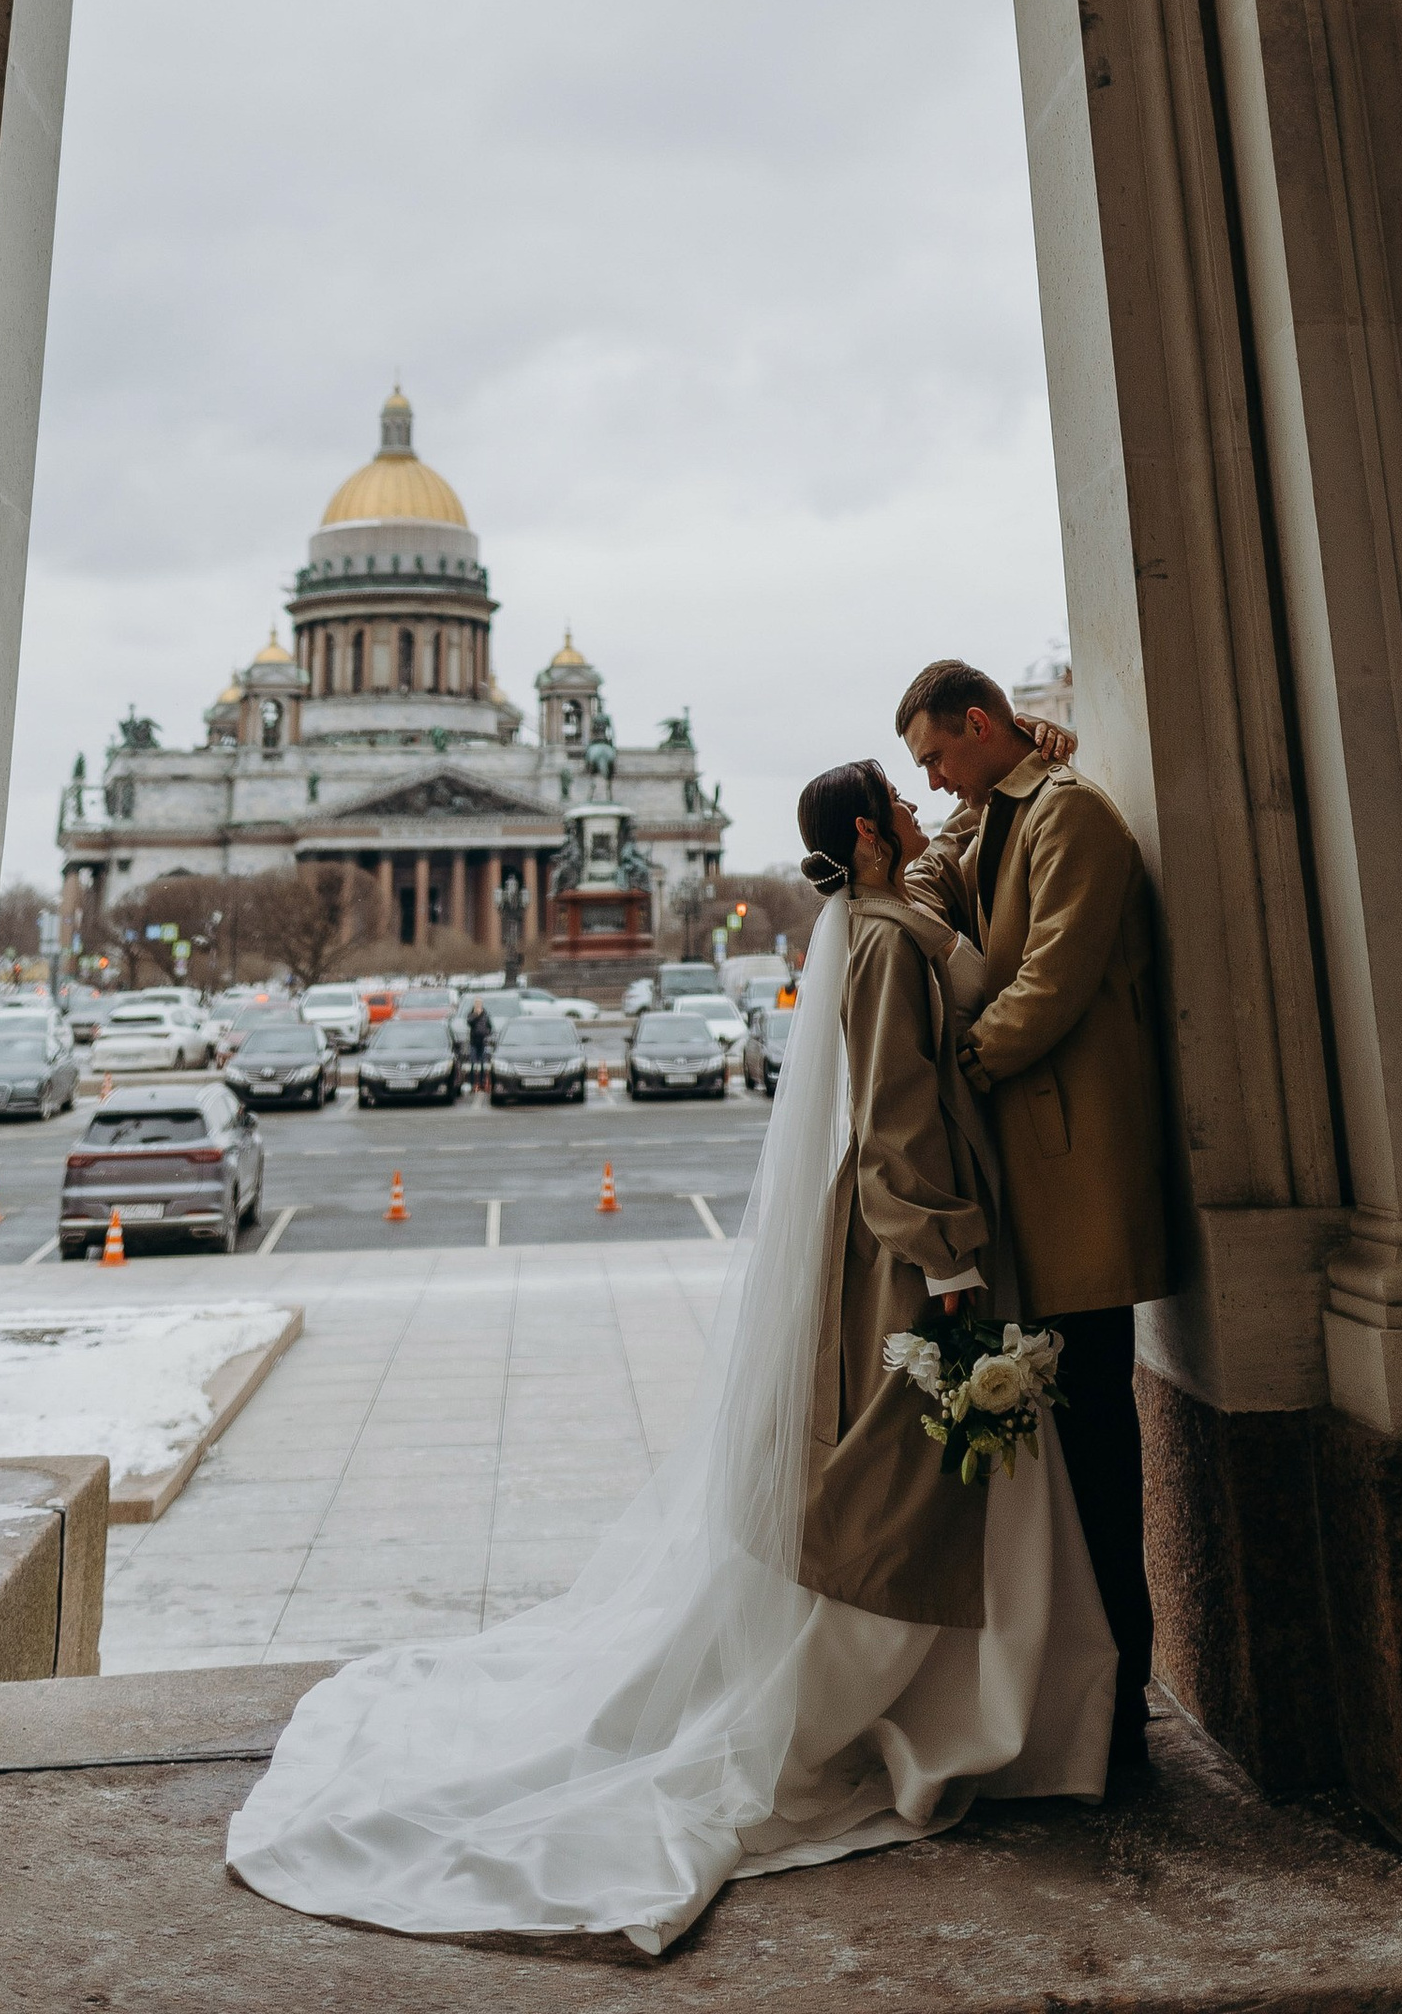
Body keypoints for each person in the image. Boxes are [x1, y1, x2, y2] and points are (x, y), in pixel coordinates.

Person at [224, 754, 1111, 1950]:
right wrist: (948, 1260)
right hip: (920, 1252)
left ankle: (999, 1709)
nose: (917, 806)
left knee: (944, 1482)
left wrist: (1006, 779)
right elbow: (896, 1112)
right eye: (897, 802)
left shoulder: (883, 913)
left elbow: (939, 881)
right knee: (914, 1484)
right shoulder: (883, 940)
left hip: (926, 1233)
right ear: (862, 834)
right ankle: (967, 1716)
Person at [896, 658, 1167, 1795]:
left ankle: (1123, 1717)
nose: (936, 779)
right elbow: (925, 888)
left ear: (977, 723)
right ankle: (1084, 1703)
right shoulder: (1004, 815)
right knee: (1068, 1455)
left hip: (1078, 1177)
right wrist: (963, 806)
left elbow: (1051, 976)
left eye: (940, 757)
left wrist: (963, 1061)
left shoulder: (1075, 817)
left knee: (1101, 1451)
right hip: (1040, 1181)